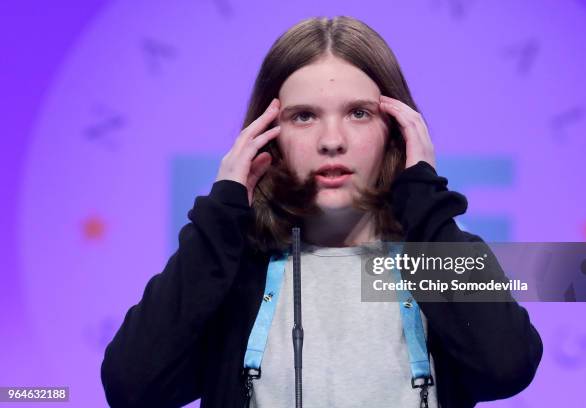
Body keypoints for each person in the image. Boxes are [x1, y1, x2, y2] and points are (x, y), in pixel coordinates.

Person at [101, 16, 543, 408]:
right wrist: (222, 212)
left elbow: (508, 367)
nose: (332, 140)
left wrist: (425, 203)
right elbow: (131, 387)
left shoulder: (437, 254)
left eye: (358, 113)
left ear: (396, 131)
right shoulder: (231, 270)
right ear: (266, 137)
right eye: (304, 116)